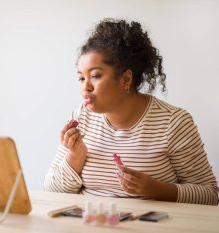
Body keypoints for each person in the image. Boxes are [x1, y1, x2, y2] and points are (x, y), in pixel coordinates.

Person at [43, 19, 218, 205]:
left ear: (126, 79)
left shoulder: (173, 122)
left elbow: (210, 195)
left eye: (95, 76)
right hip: (88, 226)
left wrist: (157, 189)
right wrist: (75, 158)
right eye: (81, 78)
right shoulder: (81, 117)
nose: (85, 87)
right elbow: (51, 190)